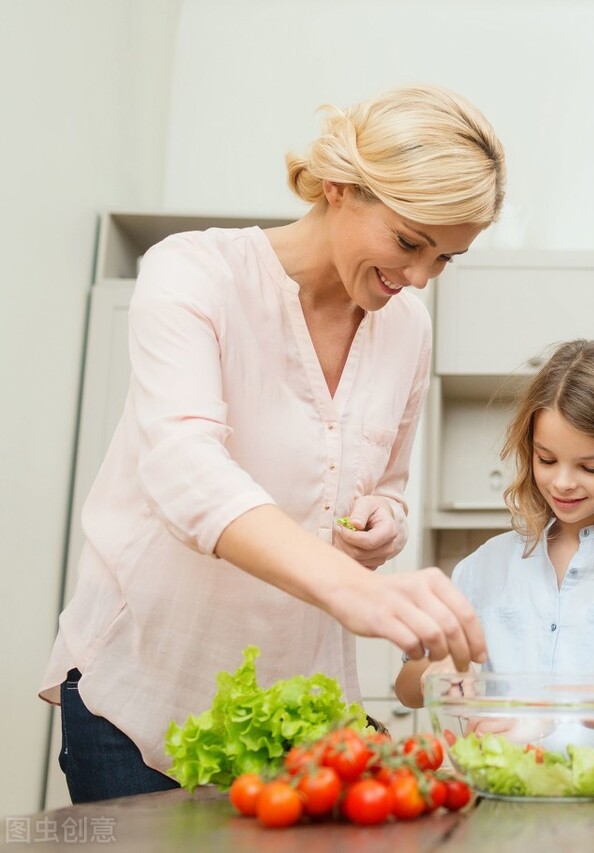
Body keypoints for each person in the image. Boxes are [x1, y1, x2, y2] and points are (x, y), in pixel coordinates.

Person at [40, 85, 505, 803]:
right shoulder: (195, 273)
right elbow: (186, 470)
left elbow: (388, 483)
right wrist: (355, 588)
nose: (418, 278)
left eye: (445, 258)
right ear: (339, 186)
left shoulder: (407, 327)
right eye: (411, 241)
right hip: (144, 690)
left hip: (296, 706)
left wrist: (385, 518)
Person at [394, 339, 594, 713]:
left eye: (590, 468)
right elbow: (406, 688)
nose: (562, 482)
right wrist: (436, 674)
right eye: (546, 460)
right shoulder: (487, 565)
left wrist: (555, 711)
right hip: (508, 773)